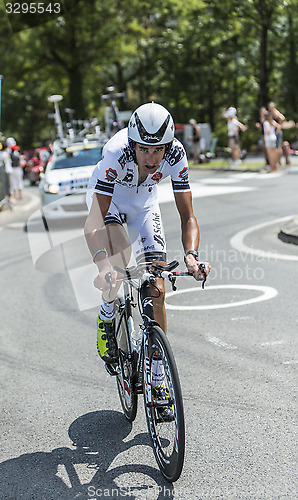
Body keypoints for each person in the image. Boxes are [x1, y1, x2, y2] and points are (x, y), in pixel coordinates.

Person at [84, 102, 211, 415]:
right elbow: (93, 224)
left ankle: (157, 376)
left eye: (158, 151)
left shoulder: (177, 154)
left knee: (156, 287)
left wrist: (192, 257)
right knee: (119, 259)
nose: (152, 158)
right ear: (133, 144)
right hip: (109, 204)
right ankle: (106, 312)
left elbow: (188, 216)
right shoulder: (116, 154)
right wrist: (103, 268)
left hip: (144, 206)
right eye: (144, 150)